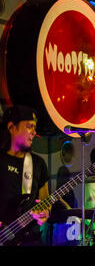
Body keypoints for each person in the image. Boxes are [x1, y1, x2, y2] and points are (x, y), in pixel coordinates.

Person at [0, 105, 50, 246]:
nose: (34, 132)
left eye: (35, 127)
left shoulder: (38, 163)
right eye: (29, 126)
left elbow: (45, 200)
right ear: (12, 128)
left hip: (31, 239)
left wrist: (45, 212)